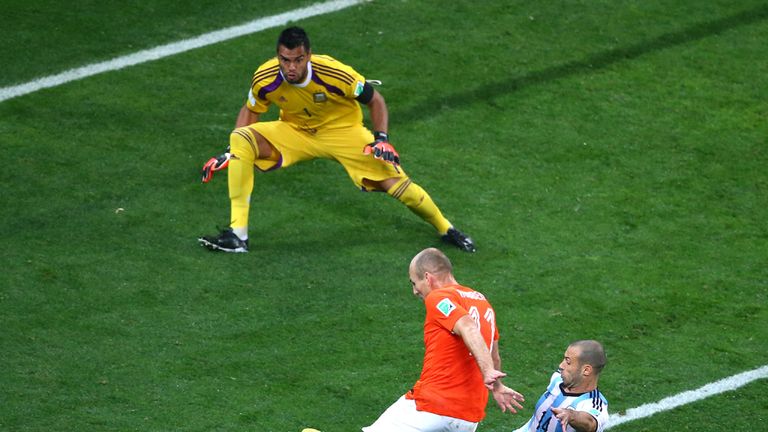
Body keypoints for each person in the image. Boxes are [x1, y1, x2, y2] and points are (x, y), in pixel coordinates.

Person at [198, 26, 475, 253]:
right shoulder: (265, 77)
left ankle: (445, 228)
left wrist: (381, 139)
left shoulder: (334, 73)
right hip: (295, 131)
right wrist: (230, 151)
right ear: (278, 56)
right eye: (285, 60)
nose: (291, 67)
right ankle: (238, 235)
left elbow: (375, 100)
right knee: (241, 138)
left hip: (342, 131)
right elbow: (250, 109)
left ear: (308, 56)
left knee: (395, 184)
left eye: (297, 59)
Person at [361, 247, 524, 431]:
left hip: (433, 406)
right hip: (468, 418)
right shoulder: (482, 302)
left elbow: (468, 326)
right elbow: (494, 354)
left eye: (414, 283)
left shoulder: (439, 297)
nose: (415, 291)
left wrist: (487, 372)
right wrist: (497, 386)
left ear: (428, 278)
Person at [513, 340, 609, 432]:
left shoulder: (594, 403)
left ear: (586, 370)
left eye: (568, 362)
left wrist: (571, 415)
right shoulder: (558, 379)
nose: (561, 365)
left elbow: (590, 423)